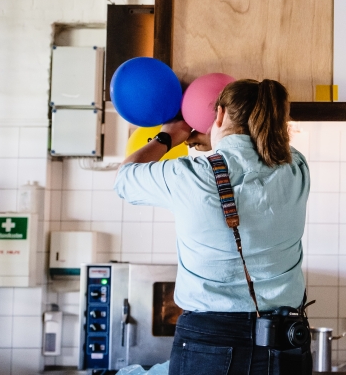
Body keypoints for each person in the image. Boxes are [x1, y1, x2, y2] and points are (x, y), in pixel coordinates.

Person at [114, 79, 311, 375]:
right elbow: (265, 151)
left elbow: (125, 179)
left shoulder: (189, 176)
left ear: (218, 115)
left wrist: (168, 136)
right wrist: (222, 142)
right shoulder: (296, 168)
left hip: (210, 340)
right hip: (283, 342)